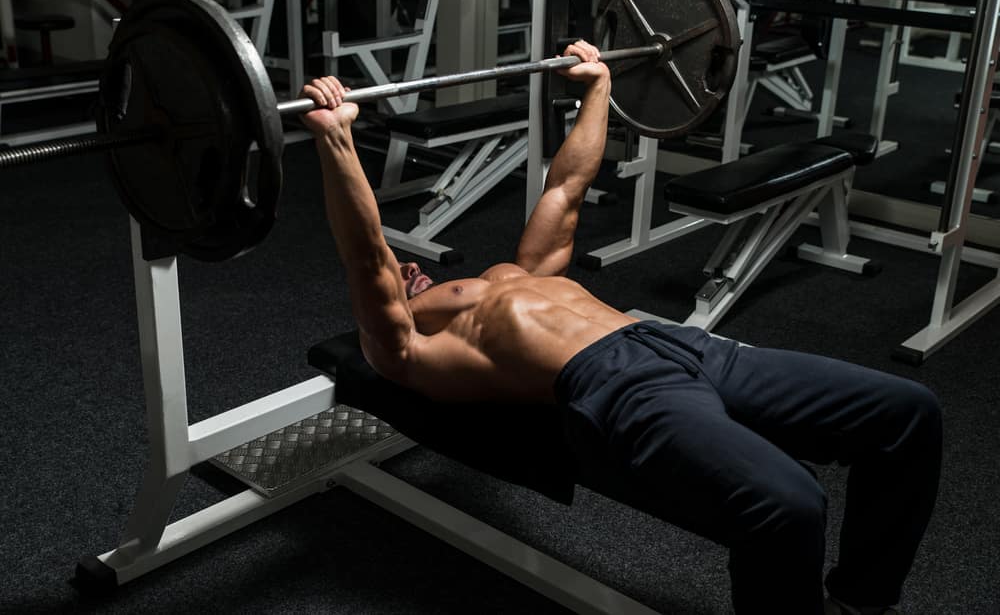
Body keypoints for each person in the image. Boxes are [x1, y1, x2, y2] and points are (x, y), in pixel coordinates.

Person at [298, 40, 941, 615]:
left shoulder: (514, 276)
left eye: (414, 268)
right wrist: (336, 138)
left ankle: (862, 598)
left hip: (678, 344)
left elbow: (566, 189)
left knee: (905, 411)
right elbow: (367, 253)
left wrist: (599, 87)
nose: (412, 268)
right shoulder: (408, 346)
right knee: (789, 504)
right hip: (616, 388)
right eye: (401, 276)